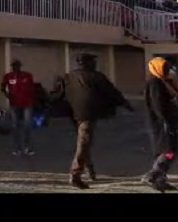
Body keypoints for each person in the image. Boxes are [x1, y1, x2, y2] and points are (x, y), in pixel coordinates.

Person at [52, 53, 132, 189]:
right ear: (88, 63)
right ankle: (75, 174)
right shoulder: (96, 76)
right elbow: (112, 92)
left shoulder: (68, 76)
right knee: (84, 142)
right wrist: (125, 104)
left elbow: (57, 94)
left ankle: (90, 170)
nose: (95, 64)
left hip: (73, 113)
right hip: (87, 113)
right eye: (93, 61)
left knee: (83, 141)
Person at [141, 57, 178, 192]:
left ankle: (160, 180)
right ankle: (153, 175)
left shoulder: (162, 82)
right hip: (162, 123)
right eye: (164, 67)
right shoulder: (155, 83)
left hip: (166, 121)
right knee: (169, 150)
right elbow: (159, 105)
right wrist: (166, 120)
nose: (167, 70)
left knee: (164, 150)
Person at [1, 59, 35, 156]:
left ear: (20, 66)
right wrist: (8, 96)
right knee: (15, 126)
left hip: (26, 104)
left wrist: (31, 98)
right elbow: (2, 88)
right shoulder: (8, 76)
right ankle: (16, 148)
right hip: (14, 104)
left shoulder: (27, 76)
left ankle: (27, 147)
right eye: (13, 66)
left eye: (17, 66)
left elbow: (32, 88)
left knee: (27, 125)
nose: (15, 67)